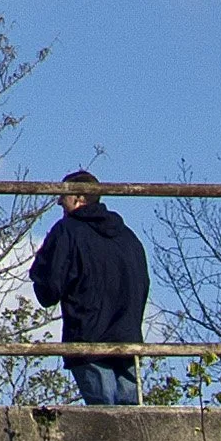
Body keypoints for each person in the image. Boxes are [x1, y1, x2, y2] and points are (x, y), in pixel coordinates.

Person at [31, 169, 148, 405]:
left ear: (80, 198)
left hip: (87, 336)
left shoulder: (67, 231)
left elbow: (49, 287)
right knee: (132, 422)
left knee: (103, 420)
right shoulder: (128, 236)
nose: (59, 203)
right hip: (127, 339)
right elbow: (143, 283)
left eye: (63, 196)